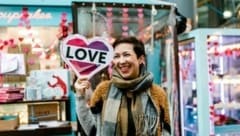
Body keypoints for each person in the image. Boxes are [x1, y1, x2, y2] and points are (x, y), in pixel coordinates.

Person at [74, 36, 171, 136]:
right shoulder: (103, 90)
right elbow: (91, 128)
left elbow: (166, 130)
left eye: (126, 55)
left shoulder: (158, 93)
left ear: (141, 59)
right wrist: (80, 97)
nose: (121, 61)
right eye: (116, 56)